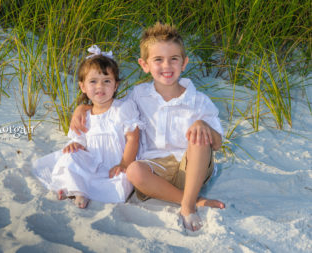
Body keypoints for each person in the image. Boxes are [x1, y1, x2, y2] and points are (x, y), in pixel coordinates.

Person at [70, 23, 225, 231]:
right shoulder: (138, 95)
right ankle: (192, 200)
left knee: (199, 135)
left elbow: (217, 143)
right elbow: (109, 106)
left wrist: (203, 125)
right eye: (158, 60)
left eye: (174, 59)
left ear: (184, 63)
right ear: (144, 65)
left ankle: (188, 206)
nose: (166, 66)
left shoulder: (198, 100)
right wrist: (83, 107)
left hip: (191, 169)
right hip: (155, 172)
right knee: (133, 170)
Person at [33, 45, 142, 208]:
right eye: (93, 81)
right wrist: (77, 144)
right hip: (92, 161)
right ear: (83, 86)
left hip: (116, 163)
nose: (100, 87)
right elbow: (80, 138)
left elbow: (133, 138)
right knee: (70, 156)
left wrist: (124, 163)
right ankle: (77, 190)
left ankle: (79, 189)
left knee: (121, 182)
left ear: (116, 85)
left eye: (107, 81)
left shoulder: (122, 109)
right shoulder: (85, 115)